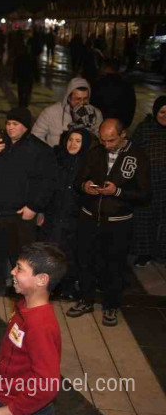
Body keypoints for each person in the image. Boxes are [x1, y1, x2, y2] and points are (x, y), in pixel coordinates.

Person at [67, 119, 150, 326]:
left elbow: (145, 195)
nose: (107, 145)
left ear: (124, 134)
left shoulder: (138, 156)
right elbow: (78, 180)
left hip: (118, 222)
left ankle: (111, 306)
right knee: (85, 260)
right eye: (103, 140)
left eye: (111, 140)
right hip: (89, 217)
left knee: (114, 265)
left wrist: (117, 192)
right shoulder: (95, 152)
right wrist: (84, 186)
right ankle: (86, 299)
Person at [0, 108, 57, 297]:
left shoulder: (39, 150)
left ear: (26, 127)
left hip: (20, 212)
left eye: (15, 124)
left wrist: (35, 207)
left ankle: (22, 289)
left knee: (21, 255)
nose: (10, 128)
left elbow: (47, 182)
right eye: (8, 123)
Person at [0, 242, 66, 415]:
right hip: (11, 395)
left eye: (19, 268)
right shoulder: (24, 307)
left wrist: (9, 410)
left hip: (27, 407)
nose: (12, 272)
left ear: (42, 279)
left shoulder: (40, 326)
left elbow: (47, 385)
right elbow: (15, 359)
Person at [42, 128, 91, 300]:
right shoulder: (57, 159)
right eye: (70, 139)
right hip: (54, 215)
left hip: (74, 218)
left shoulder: (88, 164)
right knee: (51, 252)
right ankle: (51, 286)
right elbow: (47, 188)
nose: (72, 144)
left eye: (78, 141)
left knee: (70, 253)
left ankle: (69, 286)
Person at [131, 97, 166, 267]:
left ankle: (162, 252)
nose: (165, 116)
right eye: (162, 112)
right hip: (147, 183)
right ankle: (144, 253)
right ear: (155, 112)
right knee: (145, 220)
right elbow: (132, 151)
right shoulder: (144, 128)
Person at [32, 77, 103, 147]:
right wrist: (49, 153)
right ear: (69, 98)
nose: (82, 103)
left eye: (85, 99)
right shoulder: (51, 112)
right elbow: (36, 136)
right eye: (78, 99)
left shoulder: (96, 114)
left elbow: (100, 140)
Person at [91, 59, 137, 130]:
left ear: (106, 68)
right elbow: (131, 105)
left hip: (101, 124)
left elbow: (93, 104)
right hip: (121, 124)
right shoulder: (128, 84)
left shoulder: (99, 83)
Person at [13, 43, 36, 108]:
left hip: (21, 77)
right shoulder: (32, 58)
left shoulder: (19, 58)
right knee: (28, 90)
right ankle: (25, 101)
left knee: (21, 90)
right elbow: (35, 69)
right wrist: (37, 77)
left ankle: (21, 102)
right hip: (29, 77)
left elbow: (15, 69)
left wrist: (14, 78)